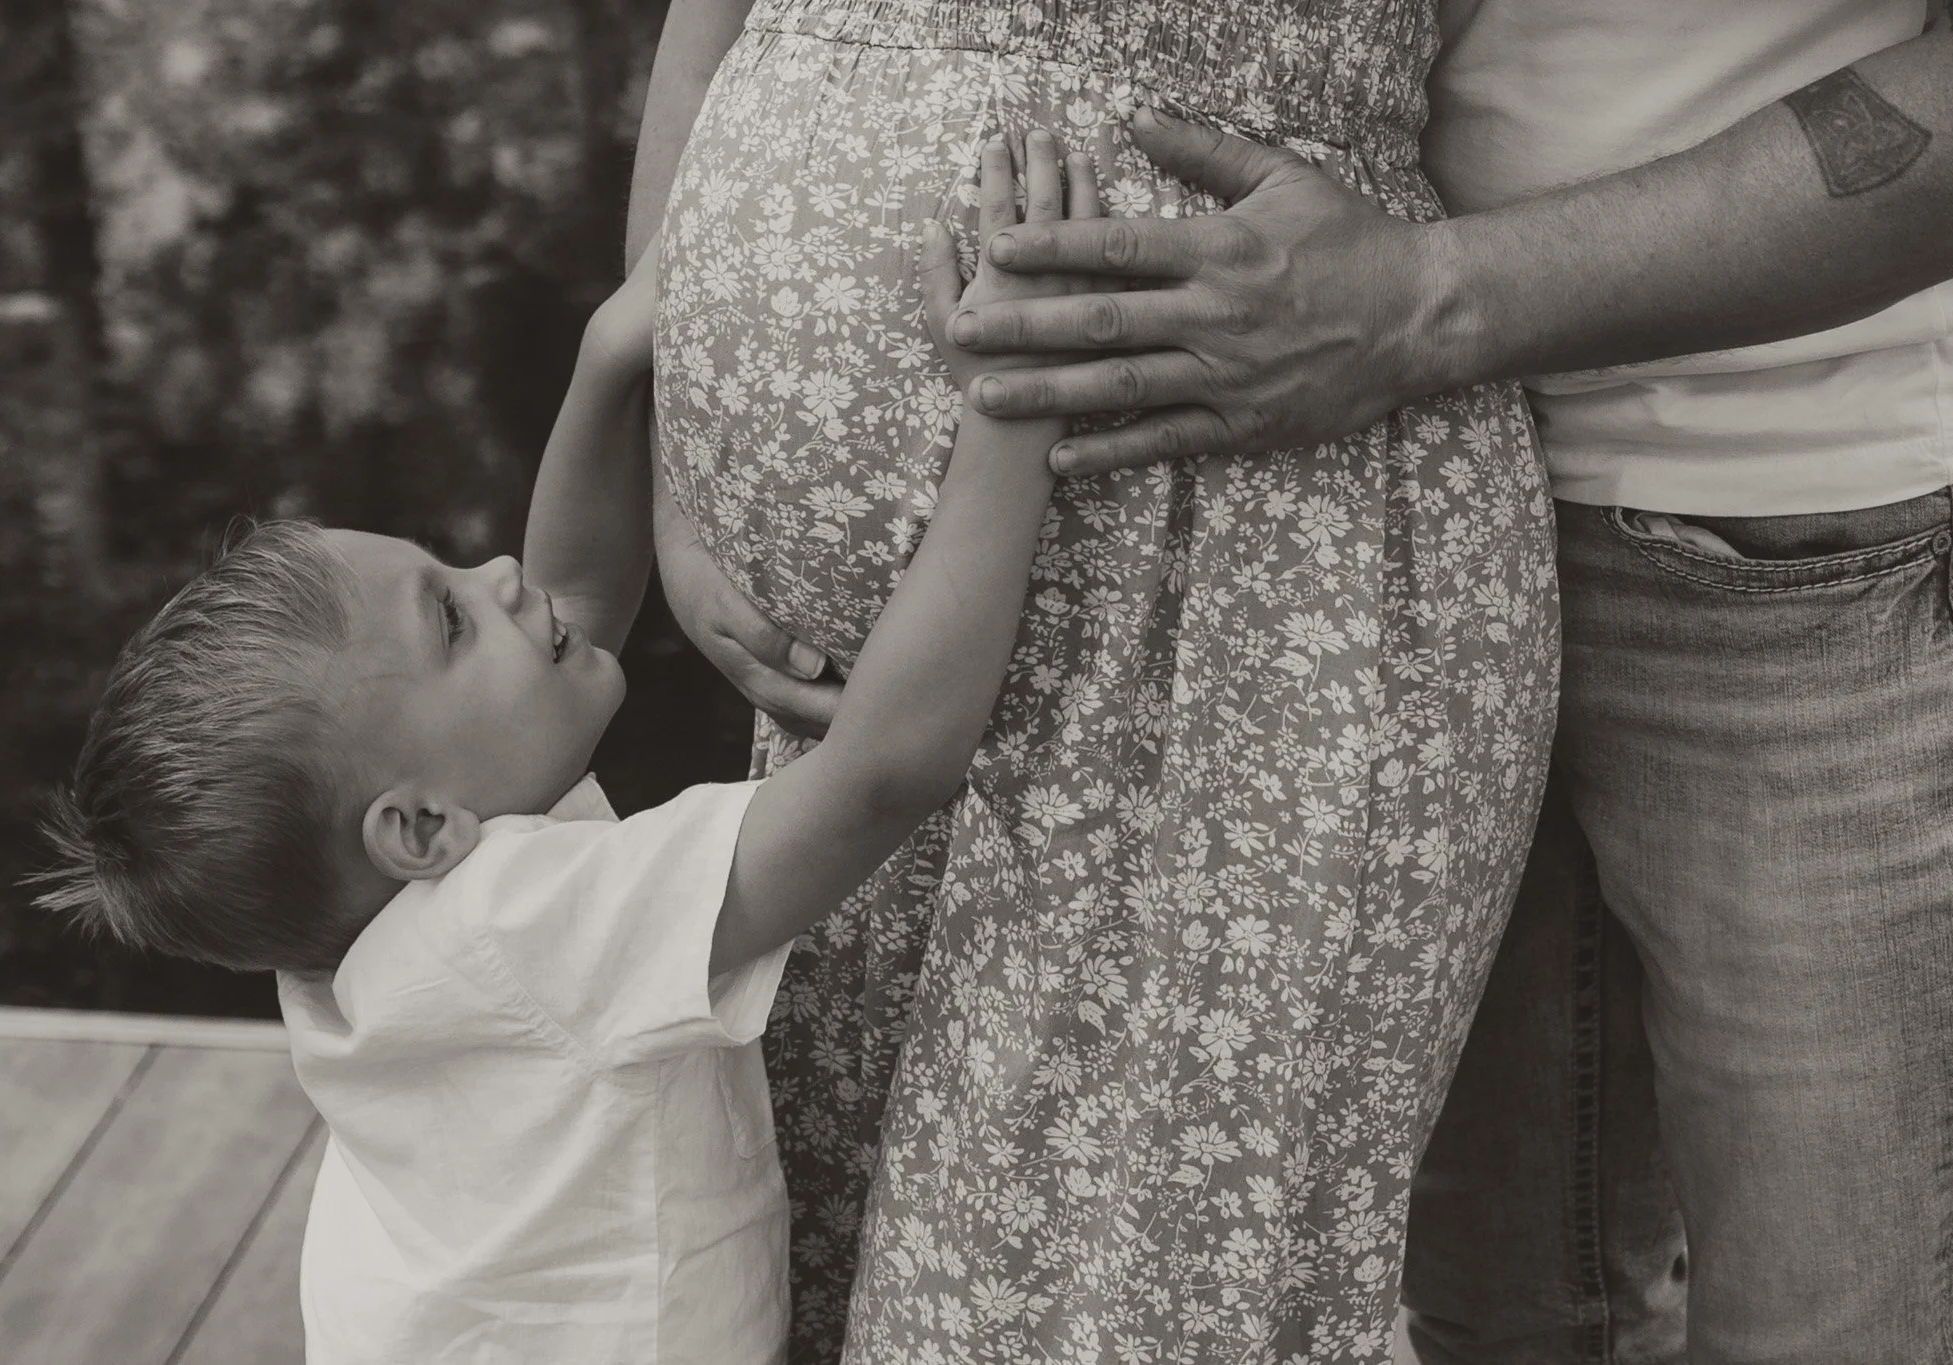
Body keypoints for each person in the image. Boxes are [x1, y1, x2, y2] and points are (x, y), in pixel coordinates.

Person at [739, 2, 1952, 1360]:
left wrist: (1423, 298)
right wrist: (677, 396)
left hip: (1777, 517)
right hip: (1355, 517)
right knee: (1511, 1313)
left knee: (1828, 1315)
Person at [28, 152, 1099, 1364]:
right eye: (448, 618)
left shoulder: (364, 911)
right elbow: (882, 771)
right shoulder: (515, 932)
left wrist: (609, 357)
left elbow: (570, 599)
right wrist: (1008, 412)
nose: (497, 574)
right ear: (417, 828)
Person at [633, 0, 1559, 1359]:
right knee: (785, 1267)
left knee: (1098, 1304)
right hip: (829, 691)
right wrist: (676, 450)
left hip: (1242, 582)